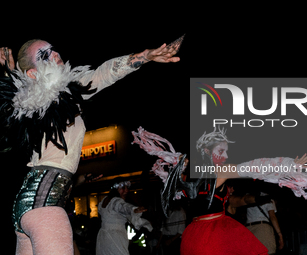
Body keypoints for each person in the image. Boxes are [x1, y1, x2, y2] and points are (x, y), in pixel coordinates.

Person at [0, 35, 184, 255]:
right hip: (44, 204)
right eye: (45, 55)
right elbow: (102, 75)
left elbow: (102, 74)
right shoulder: (44, 96)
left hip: (28, 206)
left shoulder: (47, 98)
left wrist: (145, 56)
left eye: (53, 49)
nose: (55, 54)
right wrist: (12, 78)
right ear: (32, 74)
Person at [132, 126, 307, 255]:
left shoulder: (187, 173)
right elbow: (255, 166)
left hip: (193, 235)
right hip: (213, 234)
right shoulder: (215, 171)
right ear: (206, 151)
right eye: (221, 150)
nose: (226, 156)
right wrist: (288, 164)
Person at [96, 177, 153, 255]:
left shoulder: (104, 200)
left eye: (127, 188)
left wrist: (145, 223)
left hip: (103, 237)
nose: (126, 190)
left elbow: (126, 216)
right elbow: (123, 207)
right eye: (123, 188)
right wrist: (133, 209)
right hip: (115, 237)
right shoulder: (116, 201)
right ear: (114, 189)